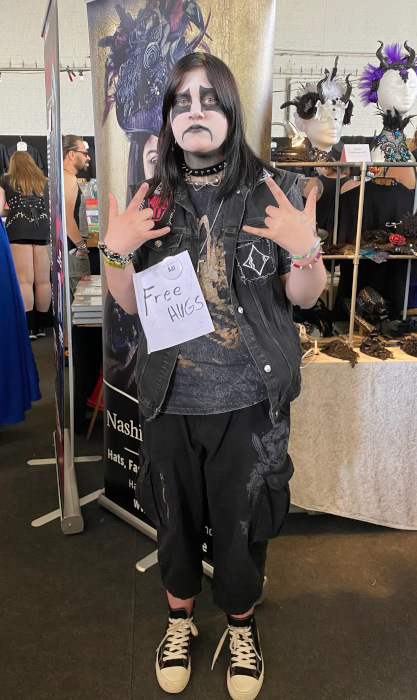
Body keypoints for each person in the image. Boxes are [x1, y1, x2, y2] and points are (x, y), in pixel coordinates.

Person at [100, 53, 326, 700]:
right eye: (181, 101)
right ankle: (179, 621)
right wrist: (114, 249)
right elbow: (128, 301)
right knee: (174, 520)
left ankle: (240, 625)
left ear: (230, 110)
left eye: (208, 99)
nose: (194, 110)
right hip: (170, 397)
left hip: (249, 398)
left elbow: (305, 296)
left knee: (241, 522)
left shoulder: (275, 190)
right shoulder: (152, 200)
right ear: (169, 119)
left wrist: (304, 248)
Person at [0, 151, 51, 338]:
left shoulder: (6, 180)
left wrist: (12, 211)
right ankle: (43, 327)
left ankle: (28, 328)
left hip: (18, 227)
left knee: (24, 280)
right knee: (43, 280)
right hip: (43, 227)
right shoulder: (44, 180)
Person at [62, 135, 91, 300]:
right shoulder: (68, 179)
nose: (88, 157)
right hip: (72, 252)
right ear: (72, 154)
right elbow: (66, 219)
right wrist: (81, 246)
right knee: (81, 304)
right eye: (84, 153)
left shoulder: (58, 179)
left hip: (65, 251)